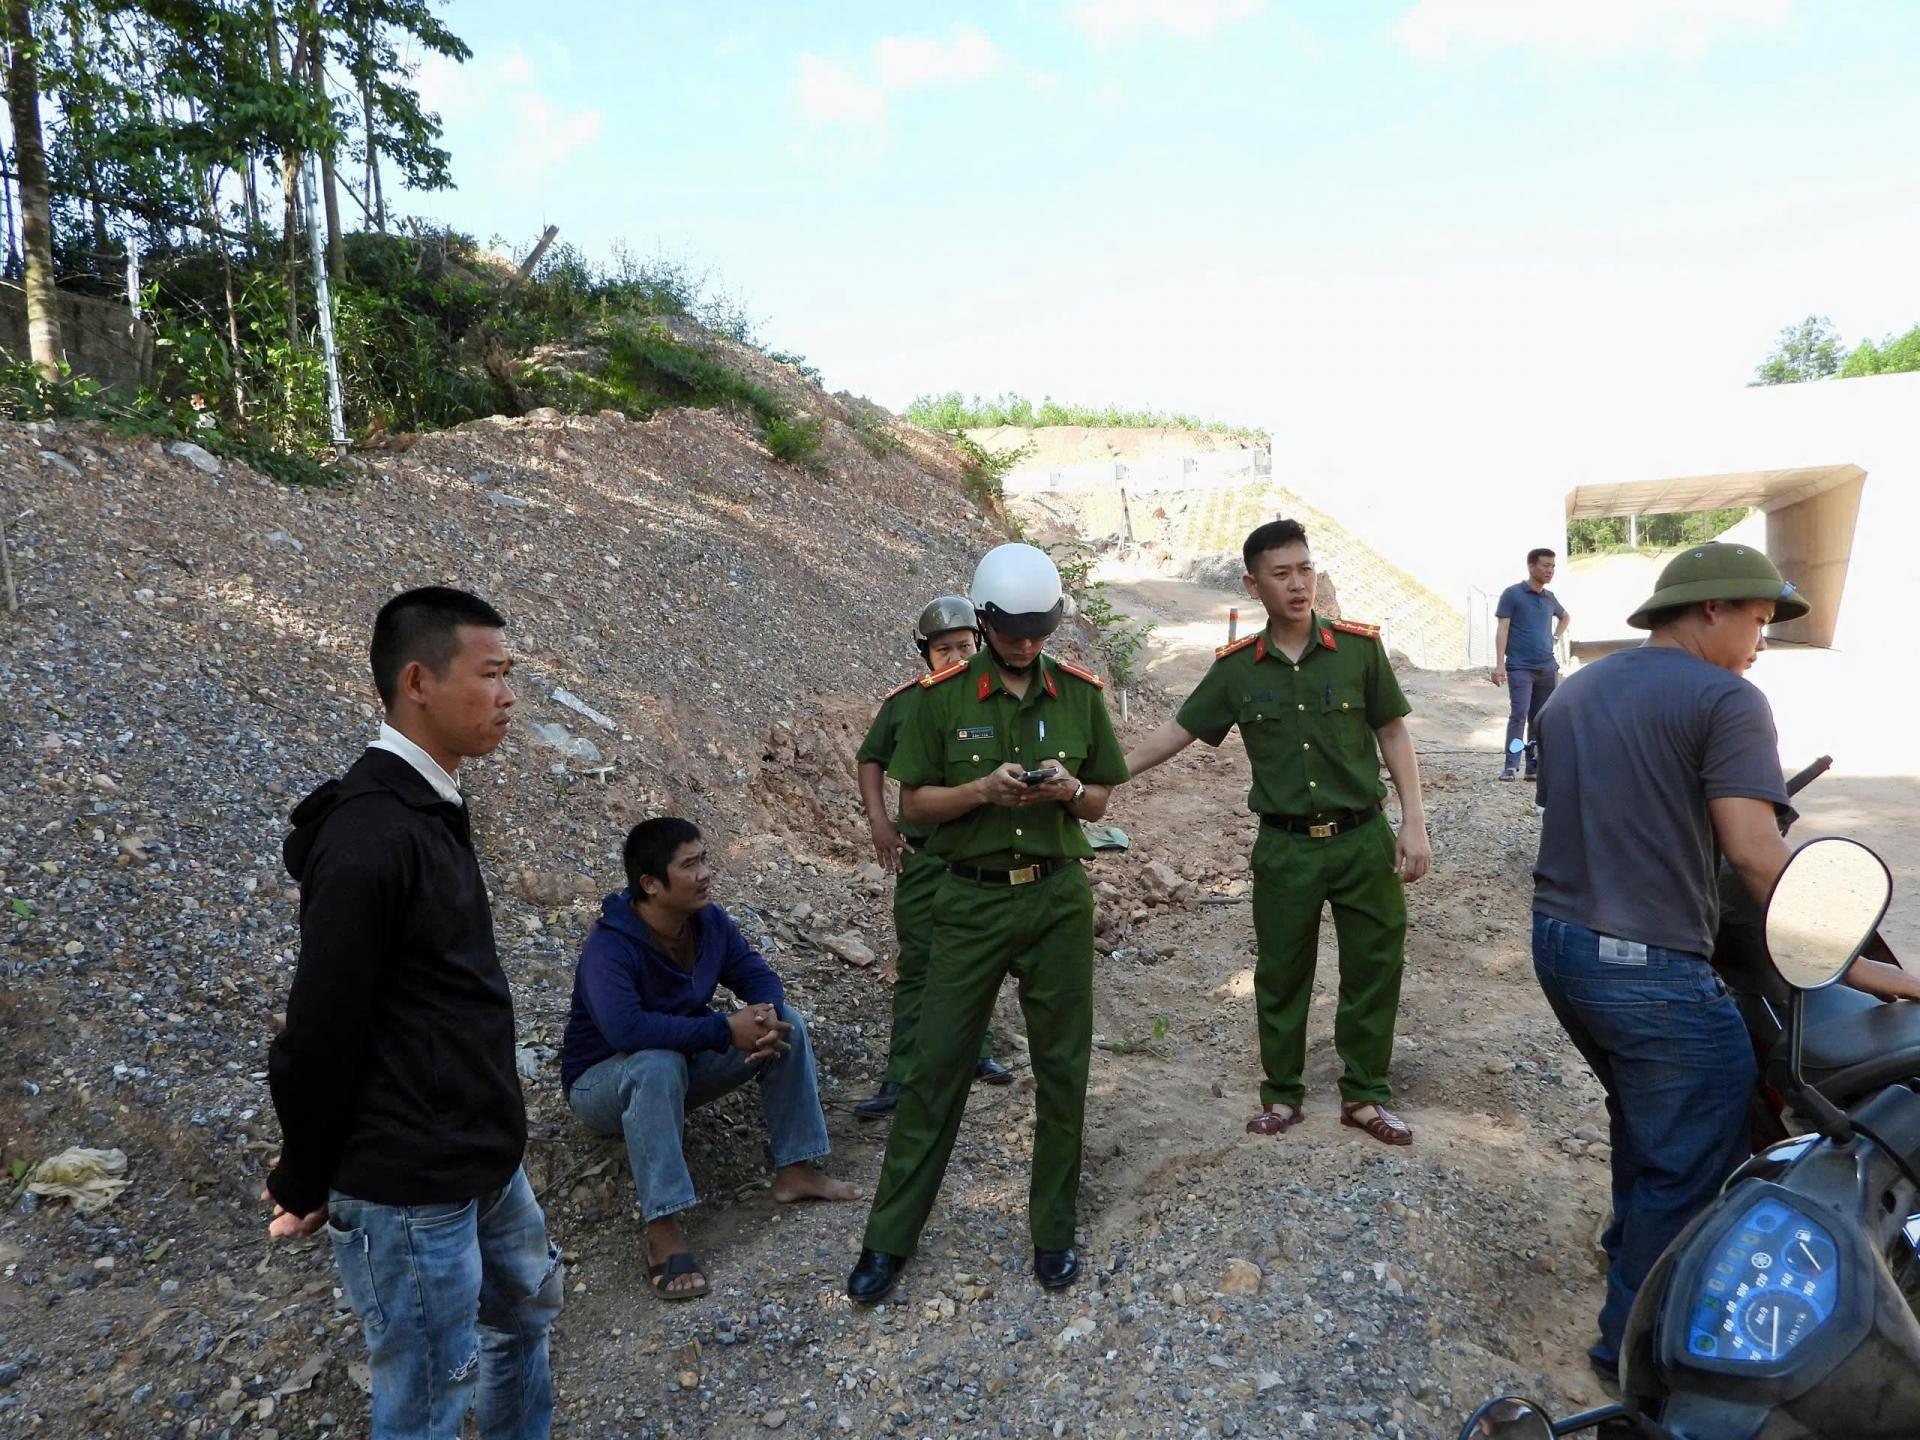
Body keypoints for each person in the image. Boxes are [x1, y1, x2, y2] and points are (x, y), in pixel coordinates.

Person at [264, 586, 563, 1440]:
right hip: (409, 1184)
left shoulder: (428, 805)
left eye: (512, 675)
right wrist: (305, 1172)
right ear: (418, 681)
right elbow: (319, 1029)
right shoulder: (371, 834)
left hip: (482, 1155)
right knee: (430, 1393)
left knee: (522, 1327)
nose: (509, 696)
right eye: (493, 675)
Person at [1530, 542, 1814, 1385]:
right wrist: (1847, 954)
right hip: (1647, 967)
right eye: (1759, 620)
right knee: (1702, 1138)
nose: (1762, 640)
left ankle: (1627, 1248)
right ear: (1712, 609)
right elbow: (1756, 857)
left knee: (1650, 1114)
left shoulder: (1573, 695)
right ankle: (1637, 1354)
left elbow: (1612, 819)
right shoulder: (1729, 700)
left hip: (1560, 945)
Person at [847, 543, 1129, 1302]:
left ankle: (1053, 1230)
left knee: (1063, 1070)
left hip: (1057, 899)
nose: (1027, 646)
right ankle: (888, 1240)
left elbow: (1101, 801)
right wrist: (980, 790)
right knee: (935, 1069)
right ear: (984, 620)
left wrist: (1069, 789)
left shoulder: (1077, 693)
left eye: (1040, 630)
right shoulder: (938, 697)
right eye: (1011, 631)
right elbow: (914, 807)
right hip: (967, 903)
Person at [1124, 519, 1432, 1144]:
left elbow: (1393, 731)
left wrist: (1414, 823)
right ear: (1253, 583)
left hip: (1362, 838)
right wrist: (1099, 780)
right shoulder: (1239, 671)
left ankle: (1365, 1096)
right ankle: (1283, 1095)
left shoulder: (1359, 650)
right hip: (1285, 846)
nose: (1298, 585)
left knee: (1374, 966)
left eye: (1305, 569)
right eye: (1282, 573)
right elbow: (1179, 732)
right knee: (1282, 973)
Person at [562, 817, 857, 1301]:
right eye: (689, 865)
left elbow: (755, 973)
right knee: (656, 1062)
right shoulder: (609, 947)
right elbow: (625, 1030)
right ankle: (663, 1229)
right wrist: (725, 1029)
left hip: (677, 1066)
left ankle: (796, 1169)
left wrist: (762, 1015)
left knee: (788, 1022)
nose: (705, 874)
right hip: (604, 1084)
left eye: (704, 860)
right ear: (652, 884)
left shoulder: (708, 922)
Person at [855, 595, 1014, 1117]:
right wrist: (880, 822)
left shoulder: (1000, 697)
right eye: (943, 649)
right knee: (921, 963)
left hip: (985, 855)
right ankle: (902, 1073)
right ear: (925, 653)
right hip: (926, 859)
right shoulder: (909, 701)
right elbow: (871, 758)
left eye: (965, 646)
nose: (955, 657)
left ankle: (976, 1055)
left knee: (978, 959)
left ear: (982, 642)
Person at [1492, 547, 1570, 781]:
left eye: (1553, 566)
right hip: (1519, 666)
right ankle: (1511, 764)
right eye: (1546, 565)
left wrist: (1555, 638)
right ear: (1531, 566)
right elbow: (1502, 629)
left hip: (1547, 667)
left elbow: (1565, 616)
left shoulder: (1549, 598)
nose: (1550, 570)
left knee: (1541, 717)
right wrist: (1499, 664)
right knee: (1519, 713)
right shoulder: (1512, 594)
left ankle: (1533, 765)